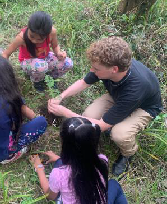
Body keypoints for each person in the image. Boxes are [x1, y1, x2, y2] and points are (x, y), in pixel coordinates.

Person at [48, 37, 162, 176]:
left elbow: (101, 126)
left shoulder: (135, 88)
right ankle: (115, 121)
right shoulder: (109, 67)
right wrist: (61, 97)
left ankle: (128, 153)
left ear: (114, 69)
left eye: (95, 69)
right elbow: (84, 82)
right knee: (89, 116)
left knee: (119, 134)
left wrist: (65, 112)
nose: (91, 70)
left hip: (143, 107)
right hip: (119, 97)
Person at [30, 117, 128, 204]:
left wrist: (39, 168)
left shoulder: (59, 174)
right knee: (113, 184)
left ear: (64, 144)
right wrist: (59, 160)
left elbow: (50, 196)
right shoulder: (102, 161)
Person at [2, 11, 73, 91]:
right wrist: (4, 70)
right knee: (41, 67)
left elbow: (55, 46)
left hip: (44, 58)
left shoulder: (52, 32)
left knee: (68, 63)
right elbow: (6, 54)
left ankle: (50, 78)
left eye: (40, 39)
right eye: (31, 36)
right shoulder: (21, 38)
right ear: (28, 27)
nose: (34, 41)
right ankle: (37, 81)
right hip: (28, 62)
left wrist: (58, 53)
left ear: (47, 34)